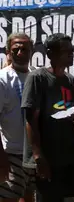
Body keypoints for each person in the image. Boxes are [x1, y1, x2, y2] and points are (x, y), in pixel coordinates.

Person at [21, 33, 74, 202]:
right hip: (46, 157)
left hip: (65, 155)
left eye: (72, 50)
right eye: (66, 51)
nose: (71, 54)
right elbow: (30, 119)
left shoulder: (70, 80)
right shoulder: (38, 78)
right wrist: (38, 156)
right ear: (50, 54)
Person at [0, 33, 35, 202]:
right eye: (16, 49)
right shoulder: (2, 79)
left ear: (32, 52)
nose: (20, 53)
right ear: (8, 52)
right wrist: (1, 157)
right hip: (10, 154)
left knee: (28, 197)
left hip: (34, 154)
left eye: (25, 49)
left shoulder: (36, 76)